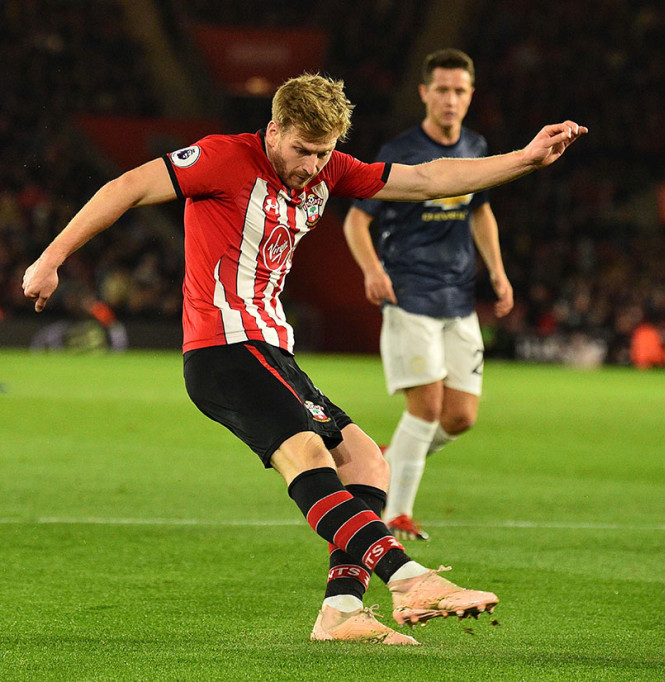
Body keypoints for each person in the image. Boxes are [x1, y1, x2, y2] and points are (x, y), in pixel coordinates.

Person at [22, 73, 587, 644]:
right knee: (308, 454)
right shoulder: (222, 157)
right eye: (301, 150)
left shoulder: (331, 168)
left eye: (323, 153)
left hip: (272, 350)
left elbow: (426, 179)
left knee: (368, 463)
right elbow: (126, 187)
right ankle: (409, 579)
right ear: (273, 131)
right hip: (224, 348)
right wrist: (51, 259)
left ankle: (341, 610)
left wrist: (526, 158)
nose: (312, 166)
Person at [342, 49, 511, 542]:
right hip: (410, 292)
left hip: (458, 298)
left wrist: (497, 272)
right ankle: (393, 516)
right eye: (442, 89)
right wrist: (372, 270)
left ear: (470, 95)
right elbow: (357, 219)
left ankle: (388, 461)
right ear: (424, 93)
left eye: (459, 90)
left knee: (460, 417)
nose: (451, 99)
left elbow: (479, 211)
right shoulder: (401, 151)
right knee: (427, 408)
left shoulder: (476, 146)